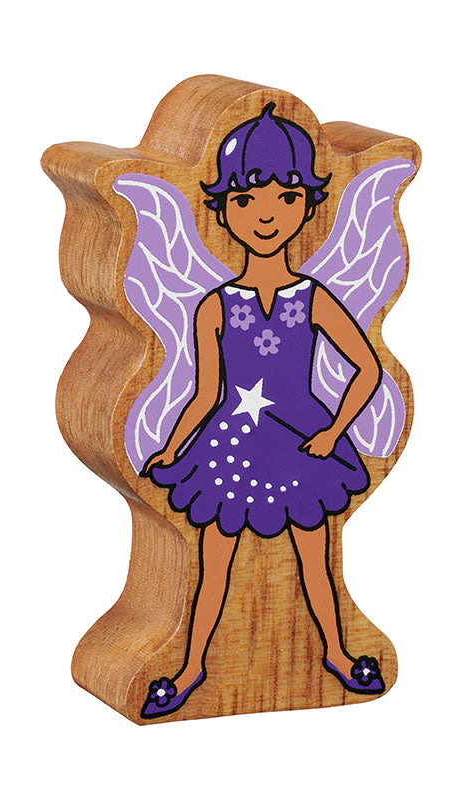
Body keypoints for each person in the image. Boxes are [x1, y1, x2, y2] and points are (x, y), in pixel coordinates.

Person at [139, 104, 385, 719]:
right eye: (247, 200)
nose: (267, 214)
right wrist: (172, 448)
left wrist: (334, 431)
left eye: (287, 197)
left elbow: (368, 369)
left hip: (302, 445)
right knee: (212, 564)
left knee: (315, 562)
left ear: (308, 204)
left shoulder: (313, 298)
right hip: (231, 448)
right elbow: (205, 393)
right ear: (223, 210)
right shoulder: (216, 306)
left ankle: (335, 653)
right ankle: (192, 666)